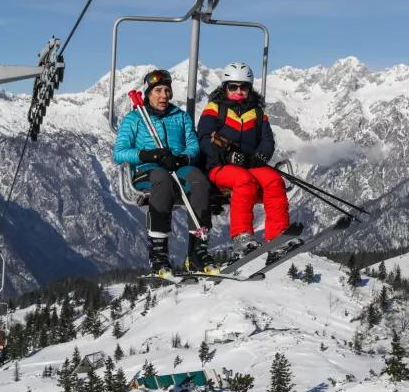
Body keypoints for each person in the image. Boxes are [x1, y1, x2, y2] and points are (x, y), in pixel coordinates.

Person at [113, 69, 219, 277]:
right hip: (148, 169)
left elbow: (193, 146)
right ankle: (158, 252)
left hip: (178, 165)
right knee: (161, 180)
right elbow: (120, 152)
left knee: (199, 181)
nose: (164, 96)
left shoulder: (180, 117)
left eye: (167, 91)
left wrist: (182, 158)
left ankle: (198, 250)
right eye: (158, 91)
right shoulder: (134, 118)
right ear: (148, 93)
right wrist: (150, 155)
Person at [197, 62, 296, 265]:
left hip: (251, 165)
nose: (238, 91)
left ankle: (278, 237)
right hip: (220, 168)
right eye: (233, 87)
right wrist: (227, 158)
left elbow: (267, 139)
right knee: (244, 180)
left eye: (244, 87)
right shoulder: (215, 109)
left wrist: (260, 156)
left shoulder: (257, 112)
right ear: (224, 87)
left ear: (250, 88)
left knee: (274, 179)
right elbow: (205, 139)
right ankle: (241, 238)